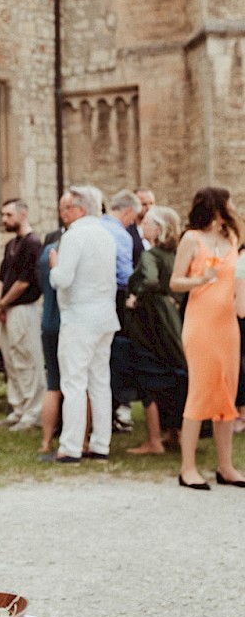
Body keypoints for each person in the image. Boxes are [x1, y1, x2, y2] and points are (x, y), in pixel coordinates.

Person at [170, 187, 244, 490]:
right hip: (200, 325)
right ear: (216, 207)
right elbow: (175, 282)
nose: (233, 206)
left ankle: (225, 466)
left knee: (228, 393)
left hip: (228, 326)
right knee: (200, 392)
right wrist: (199, 280)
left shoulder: (231, 240)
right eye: (228, 203)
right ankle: (187, 468)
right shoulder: (191, 239)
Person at [48, 184, 119, 463]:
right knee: (100, 381)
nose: (62, 213)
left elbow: (63, 279)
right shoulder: (107, 235)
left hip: (80, 318)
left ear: (80, 209)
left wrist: (54, 266)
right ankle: (101, 444)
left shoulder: (75, 236)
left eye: (66, 208)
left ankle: (71, 446)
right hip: (104, 316)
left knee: (74, 382)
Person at [124, 206, 187, 455]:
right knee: (172, 371)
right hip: (170, 319)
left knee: (148, 372)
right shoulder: (174, 255)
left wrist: (136, 297)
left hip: (150, 320)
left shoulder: (150, 256)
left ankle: (153, 440)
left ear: (158, 229)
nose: (144, 227)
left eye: (148, 223)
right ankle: (175, 432)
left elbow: (149, 280)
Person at [0, 199, 44, 431]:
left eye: (9, 215)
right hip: (7, 310)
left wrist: (2, 304)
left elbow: (24, 282)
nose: (4, 219)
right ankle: (18, 407)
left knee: (26, 360)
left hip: (23, 308)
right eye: (3, 214)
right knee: (11, 360)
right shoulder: (11, 244)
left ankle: (33, 411)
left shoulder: (33, 244)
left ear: (23, 215)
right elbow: (2, 277)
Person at [37, 192, 82, 459]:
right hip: (67, 322)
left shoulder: (45, 253)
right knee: (76, 384)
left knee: (53, 384)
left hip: (48, 321)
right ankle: (82, 441)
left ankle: (45, 441)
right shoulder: (69, 251)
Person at [103, 189, 142, 431]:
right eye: (133, 217)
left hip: (96, 297)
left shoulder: (98, 226)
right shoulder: (121, 233)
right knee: (117, 355)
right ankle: (115, 408)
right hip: (117, 298)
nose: (133, 223)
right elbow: (125, 274)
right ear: (127, 211)